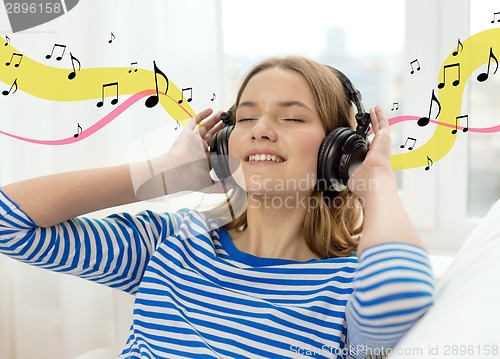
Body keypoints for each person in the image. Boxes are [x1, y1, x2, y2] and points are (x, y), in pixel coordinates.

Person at [0, 56, 434, 359]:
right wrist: (164, 173)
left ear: (337, 153)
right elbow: (8, 223)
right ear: (225, 143)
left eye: (292, 117)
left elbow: (400, 296)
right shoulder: (169, 242)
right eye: (245, 118)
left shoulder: (345, 286)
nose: (261, 129)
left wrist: (374, 177)